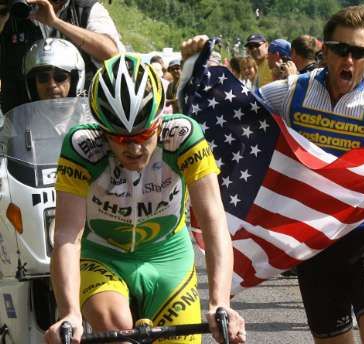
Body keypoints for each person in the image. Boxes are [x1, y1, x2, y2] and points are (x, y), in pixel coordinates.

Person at [181, 5, 364, 344]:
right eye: (340, 50)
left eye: (359, 53)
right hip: (313, 244)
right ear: (325, 50)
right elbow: (232, 116)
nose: (348, 60)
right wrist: (193, 68)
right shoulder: (294, 91)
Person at [44, 53, 246, 344]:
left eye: (145, 134)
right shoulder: (82, 147)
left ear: (160, 120)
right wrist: (70, 313)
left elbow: (214, 222)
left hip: (167, 255)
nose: (135, 148)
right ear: (102, 130)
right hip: (103, 254)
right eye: (120, 139)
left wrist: (220, 301)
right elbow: (66, 236)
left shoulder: (183, 136)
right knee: (115, 324)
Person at [0, 0, 123, 112]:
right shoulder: (14, 11)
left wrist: (56, 22)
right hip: (22, 122)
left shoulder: (84, 9)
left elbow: (111, 54)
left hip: (80, 118)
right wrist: (4, 12)